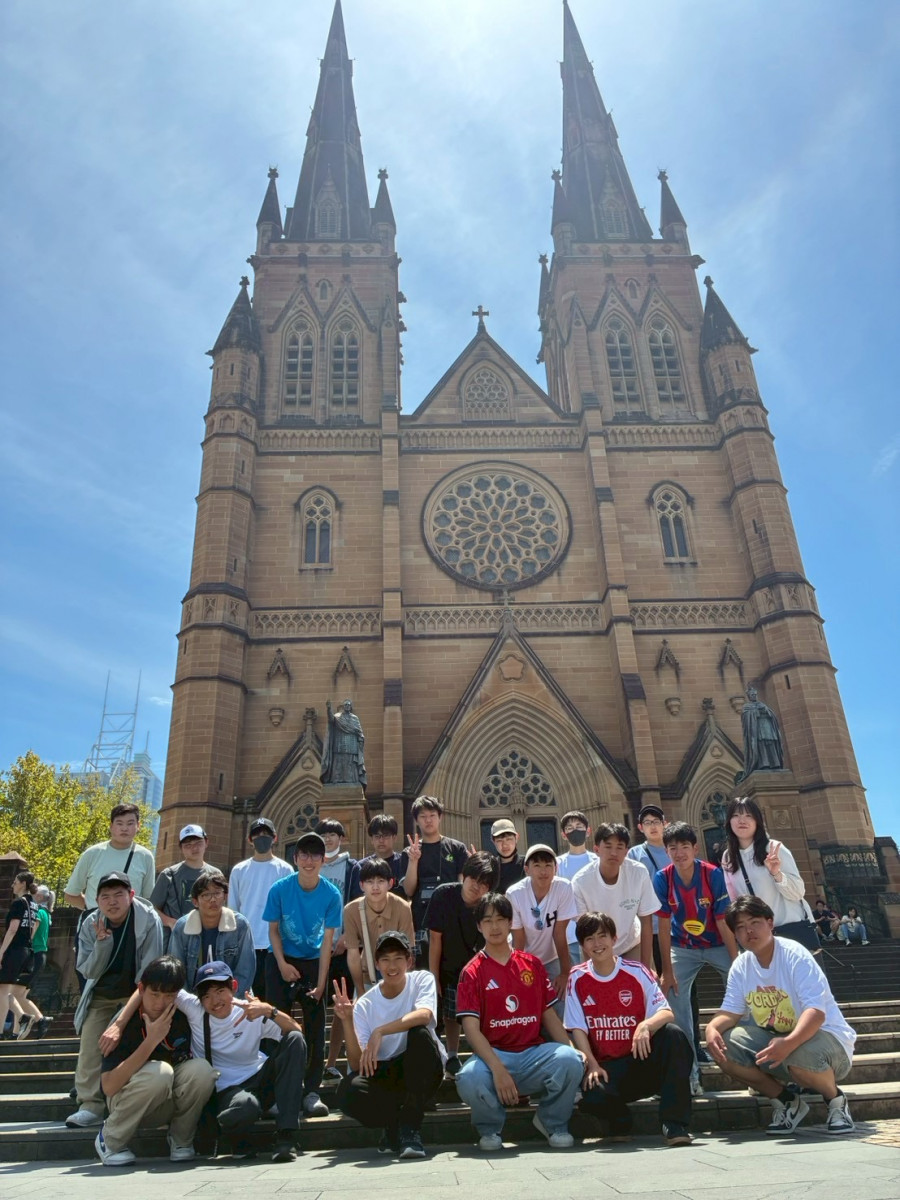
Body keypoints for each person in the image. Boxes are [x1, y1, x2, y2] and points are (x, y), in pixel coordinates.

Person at [110, 959, 307, 1161]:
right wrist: (119, 1022)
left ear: (234, 987)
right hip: (227, 1090)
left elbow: (296, 1032)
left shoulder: (252, 1011)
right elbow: (150, 985)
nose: (215, 1001)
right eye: (206, 995)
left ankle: (286, 1137)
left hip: (261, 1076)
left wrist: (270, 1011)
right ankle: (237, 1136)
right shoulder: (194, 1009)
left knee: (294, 1040)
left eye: (220, 991)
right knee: (244, 1107)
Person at [706, 896, 857, 1135]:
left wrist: (788, 1043)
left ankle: (836, 1101)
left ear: (770, 923)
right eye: (740, 927)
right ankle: (787, 1101)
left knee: (798, 1055)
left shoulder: (794, 955)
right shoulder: (741, 965)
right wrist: (712, 1028)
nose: (749, 931)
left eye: (754, 922)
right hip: (779, 1042)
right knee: (725, 1046)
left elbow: (816, 1012)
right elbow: (731, 1011)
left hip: (827, 1041)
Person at [455, 893, 584, 1150]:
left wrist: (573, 1051)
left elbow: (549, 1016)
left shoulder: (531, 964)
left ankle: (552, 1122)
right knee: (468, 1078)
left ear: (510, 922)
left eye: (500, 919)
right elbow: (470, 1029)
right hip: (494, 1057)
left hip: (532, 1055)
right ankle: (490, 1129)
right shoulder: (472, 972)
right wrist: (498, 1069)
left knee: (571, 1060)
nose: (495, 927)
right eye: (488, 920)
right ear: (479, 926)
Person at [565, 911, 693, 1146]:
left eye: (602, 936)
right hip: (606, 1068)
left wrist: (646, 1025)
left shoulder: (636, 971)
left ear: (614, 939)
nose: (597, 944)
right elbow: (577, 1028)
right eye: (590, 939)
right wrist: (592, 1064)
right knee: (593, 1095)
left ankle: (674, 1124)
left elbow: (666, 1012)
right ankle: (620, 1120)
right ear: (582, 945)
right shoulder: (577, 977)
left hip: (640, 1061)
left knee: (674, 1035)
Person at [94, 955, 217, 1166]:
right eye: (155, 994)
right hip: (126, 1101)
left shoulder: (182, 1016)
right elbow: (109, 1087)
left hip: (166, 1101)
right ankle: (110, 1140)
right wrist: (150, 1041)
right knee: (161, 1072)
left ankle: (181, 1140)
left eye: (169, 995)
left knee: (202, 1071)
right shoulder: (122, 1025)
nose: (160, 1003)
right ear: (142, 989)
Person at [335, 930, 445, 1159]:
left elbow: (425, 1015)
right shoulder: (365, 1004)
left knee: (419, 1034)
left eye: (398, 958)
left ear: (409, 961)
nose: (392, 966)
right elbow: (357, 1064)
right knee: (348, 1090)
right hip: (387, 1072)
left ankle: (410, 1128)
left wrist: (381, 1030)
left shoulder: (422, 979)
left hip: (421, 1067)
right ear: (377, 964)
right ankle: (394, 1124)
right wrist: (347, 1020)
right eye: (385, 959)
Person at [66, 872, 164, 1129]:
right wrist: (102, 944)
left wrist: (121, 1022)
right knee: (91, 1046)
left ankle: (127, 1103)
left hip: (136, 993)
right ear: (97, 900)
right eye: (105, 896)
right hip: (101, 995)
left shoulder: (148, 919)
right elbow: (88, 970)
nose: (112, 901)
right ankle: (90, 1106)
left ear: (131, 895)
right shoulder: (91, 923)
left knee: (133, 1045)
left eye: (119, 894)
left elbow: (149, 973)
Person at [653, 822, 738, 1093]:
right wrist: (667, 971)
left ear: (696, 849)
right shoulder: (662, 878)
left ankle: (747, 1065)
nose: (679, 853)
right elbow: (662, 926)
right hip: (682, 946)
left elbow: (723, 920)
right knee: (674, 999)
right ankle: (689, 1074)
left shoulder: (712, 874)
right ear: (666, 851)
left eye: (684, 847)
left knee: (743, 992)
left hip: (717, 943)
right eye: (673, 848)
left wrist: (737, 963)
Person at [262, 831, 342, 1117]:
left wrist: (321, 984)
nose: (309, 861)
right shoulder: (280, 889)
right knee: (275, 1027)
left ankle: (311, 1092)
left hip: (313, 961)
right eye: (304, 855)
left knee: (316, 1029)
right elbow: (273, 931)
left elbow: (327, 943)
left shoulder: (332, 894)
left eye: (315, 856)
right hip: (280, 958)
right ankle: (274, 1092)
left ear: (324, 859)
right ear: (295, 858)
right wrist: (282, 964)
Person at [426, 851, 500, 1077]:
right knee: (450, 1013)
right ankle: (452, 1055)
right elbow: (435, 939)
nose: (476, 886)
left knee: (479, 1013)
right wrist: (433, 976)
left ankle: (484, 1055)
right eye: (474, 879)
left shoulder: (489, 906)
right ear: (464, 875)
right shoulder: (443, 894)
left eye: (484, 884)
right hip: (446, 963)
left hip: (476, 968)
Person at [720, 797, 817, 953]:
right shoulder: (728, 856)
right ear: (729, 821)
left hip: (790, 931)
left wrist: (776, 874)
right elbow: (735, 900)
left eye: (748, 815)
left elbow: (798, 892)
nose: (742, 820)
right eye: (736, 815)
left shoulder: (773, 848)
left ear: (757, 821)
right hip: (758, 938)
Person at [572, 822, 658, 970]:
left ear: (626, 851)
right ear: (596, 849)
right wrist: (589, 971)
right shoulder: (580, 881)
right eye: (608, 846)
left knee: (643, 983)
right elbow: (583, 930)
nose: (614, 852)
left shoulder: (639, 873)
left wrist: (645, 968)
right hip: (597, 948)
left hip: (632, 944)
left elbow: (646, 922)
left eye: (619, 847)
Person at [506, 844, 578, 1014]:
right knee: (526, 1006)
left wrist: (565, 972)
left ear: (556, 868)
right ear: (527, 869)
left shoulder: (564, 887)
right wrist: (517, 972)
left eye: (548, 865)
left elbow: (559, 933)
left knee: (562, 1006)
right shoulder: (514, 893)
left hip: (552, 957)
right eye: (537, 865)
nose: (543, 871)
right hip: (524, 957)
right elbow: (518, 939)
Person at [228, 817, 294, 1000]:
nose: (261, 837)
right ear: (250, 840)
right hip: (247, 946)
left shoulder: (285, 869)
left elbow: (289, 910)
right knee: (247, 999)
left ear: (275, 838)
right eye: (257, 834)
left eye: (266, 834)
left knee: (275, 1000)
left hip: (276, 947)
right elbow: (233, 910)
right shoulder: (239, 870)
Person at [400, 795, 469, 966]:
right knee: (424, 969)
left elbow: (463, 885)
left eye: (432, 815)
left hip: (451, 918)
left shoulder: (457, 848)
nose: (428, 820)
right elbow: (409, 890)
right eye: (423, 816)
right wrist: (413, 861)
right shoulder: (410, 852)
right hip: (422, 920)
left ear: (440, 817)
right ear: (416, 820)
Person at [169, 870, 256, 996]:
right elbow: (176, 972)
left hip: (233, 997)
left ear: (225, 896)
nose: (213, 899)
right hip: (193, 997)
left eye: (217, 893)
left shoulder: (240, 925)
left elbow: (245, 971)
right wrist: (190, 1003)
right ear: (195, 901)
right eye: (206, 895)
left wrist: (229, 1001)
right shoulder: (182, 927)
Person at [318, 818, 358, 1079]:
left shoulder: (353, 868)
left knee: (342, 1006)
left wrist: (346, 936)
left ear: (342, 838)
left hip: (342, 948)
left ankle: (332, 1063)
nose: (328, 839)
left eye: (333, 834)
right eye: (324, 834)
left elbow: (356, 903)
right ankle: (312, 1062)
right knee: (315, 1006)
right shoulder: (311, 867)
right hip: (314, 949)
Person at [65, 803, 156, 910]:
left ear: (138, 826)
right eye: (119, 823)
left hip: (131, 920)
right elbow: (70, 895)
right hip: (96, 919)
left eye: (130, 823)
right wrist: (93, 911)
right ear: (111, 826)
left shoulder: (145, 857)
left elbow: (148, 900)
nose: (124, 828)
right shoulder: (92, 853)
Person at [344, 858, 416, 995]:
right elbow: (353, 954)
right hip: (366, 976)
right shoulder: (351, 910)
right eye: (370, 882)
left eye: (381, 881)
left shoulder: (403, 907)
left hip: (397, 976)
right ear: (361, 885)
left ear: (390, 883)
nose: (375, 887)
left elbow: (408, 951)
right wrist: (360, 990)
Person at [150, 825, 218, 943]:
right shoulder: (169, 874)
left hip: (206, 938)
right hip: (174, 940)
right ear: (181, 848)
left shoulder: (215, 874)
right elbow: (152, 909)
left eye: (198, 843)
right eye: (188, 845)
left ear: (206, 842)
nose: (194, 848)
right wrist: (170, 922)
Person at [0, 872, 46, 1043]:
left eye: (15, 882)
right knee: (7, 990)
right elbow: (32, 930)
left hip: (14, 950)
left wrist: (1, 952)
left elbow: (13, 929)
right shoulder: (34, 905)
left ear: (23, 884)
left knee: (2, 990)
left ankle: (8, 1025)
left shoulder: (19, 903)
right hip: (26, 950)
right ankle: (22, 1016)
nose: (13, 885)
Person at [626, 805, 669, 971]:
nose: (653, 826)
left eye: (656, 821)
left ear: (665, 824)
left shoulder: (675, 850)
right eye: (647, 822)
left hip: (677, 924)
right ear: (640, 827)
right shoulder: (634, 854)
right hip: (651, 926)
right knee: (657, 973)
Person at [555, 810, 598, 965]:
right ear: (563, 834)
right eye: (570, 828)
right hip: (570, 936)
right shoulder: (557, 864)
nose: (575, 831)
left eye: (579, 826)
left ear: (588, 831)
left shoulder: (597, 861)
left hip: (597, 932)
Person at [21, 883, 53, 1038]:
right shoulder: (47, 913)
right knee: (20, 994)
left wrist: (24, 944)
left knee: (17, 994)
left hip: (34, 955)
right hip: (40, 955)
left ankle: (40, 1019)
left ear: (39, 896)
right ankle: (18, 1031)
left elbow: (32, 931)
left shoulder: (39, 912)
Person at [348, 813, 405, 900]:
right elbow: (356, 899)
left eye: (385, 836)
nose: (381, 840)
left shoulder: (404, 863)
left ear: (394, 838)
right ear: (371, 839)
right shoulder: (361, 866)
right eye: (377, 836)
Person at [321, 697, 367, 787]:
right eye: (345, 705)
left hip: (351, 746)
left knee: (350, 764)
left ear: (351, 707)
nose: (347, 706)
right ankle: (336, 780)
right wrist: (329, 709)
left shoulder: (355, 718)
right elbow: (331, 719)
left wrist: (361, 739)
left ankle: (351, 781)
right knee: (338, 763)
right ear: (343, 706)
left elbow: (359, 731)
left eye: (348, 705)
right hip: (339, 744)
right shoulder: (337, 716)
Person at [489, 818, 525, 893]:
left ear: (516, 838)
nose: (505, 845)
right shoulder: (489, 867)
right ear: (493, 841)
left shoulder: (527, 864)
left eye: (509, 839)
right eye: (499, 841)